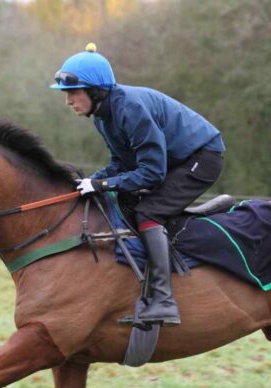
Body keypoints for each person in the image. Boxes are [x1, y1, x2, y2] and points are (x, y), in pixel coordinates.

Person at [50, 44, 225, 327]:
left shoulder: (129, 108)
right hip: (177, 160)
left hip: (202, 159)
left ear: (95, 91)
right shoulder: (103, 117)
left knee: (149, 212)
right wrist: (91, 181)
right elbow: (122, 162)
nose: (68, 101)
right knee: (128, 202)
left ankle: (164, 301)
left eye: (73, 92)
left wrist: (103, 183)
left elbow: (152, 173)